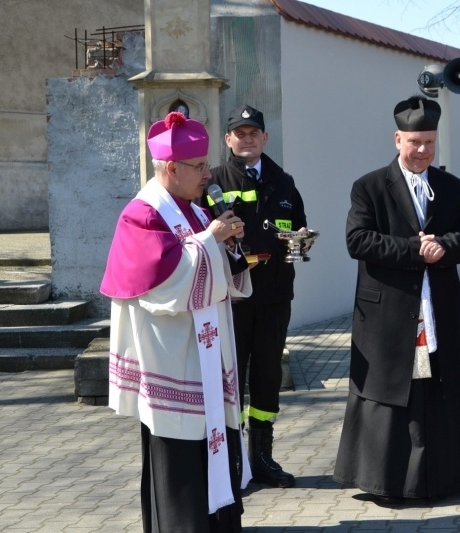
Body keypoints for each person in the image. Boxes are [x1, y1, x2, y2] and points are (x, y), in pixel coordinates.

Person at [101, 112, 250, 531]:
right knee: (179, 451)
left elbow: (215, 272)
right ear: (171, 168)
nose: (208, 174)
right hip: (172, 358)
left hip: (204, 349)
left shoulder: (196, 211)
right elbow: (163, 285)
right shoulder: (142, 215)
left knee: (213, 440)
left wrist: (232, 247)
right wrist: (210, 241)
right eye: (200, 166)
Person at [334, 95, 460, 503]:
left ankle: (442, 478)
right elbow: (357, 240)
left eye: (430, 143)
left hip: (437, 306)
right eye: (415, 142)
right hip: (388, 312)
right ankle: (385, 480)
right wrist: (416, 250)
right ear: (398, 139)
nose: (422, 151)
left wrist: (444, 247)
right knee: (391, 391)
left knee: (436, 388)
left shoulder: (450, 186)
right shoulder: (368, 186)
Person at [203, 104, 307, 488]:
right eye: (240, 133)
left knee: (266, 378)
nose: (247, 139)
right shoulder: (211, 181)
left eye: (254, 133)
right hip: (231, 299)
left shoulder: (284, 181)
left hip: (275, 296)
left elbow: (297, 230)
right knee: (229, 379)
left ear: (265, 138)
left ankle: (261, 457)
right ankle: (230, 463)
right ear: (228, 139)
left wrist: (298, 246)